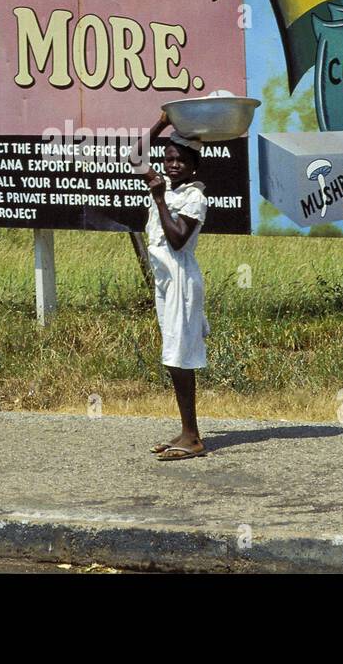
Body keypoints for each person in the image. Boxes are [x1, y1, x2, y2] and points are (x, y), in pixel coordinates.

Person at [131, 110, 210, 460]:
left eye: (181, 160)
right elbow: (133, 157)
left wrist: (160, 198)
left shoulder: (194, 197)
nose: (172, 164)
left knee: (180, 357)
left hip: (181, 280)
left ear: (194, 166)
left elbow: (178, 240)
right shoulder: (164, 183)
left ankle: (192, 437)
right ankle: (185, 430)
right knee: (172, 358)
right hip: (165, 283)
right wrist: (161, 124)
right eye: (168, 158)